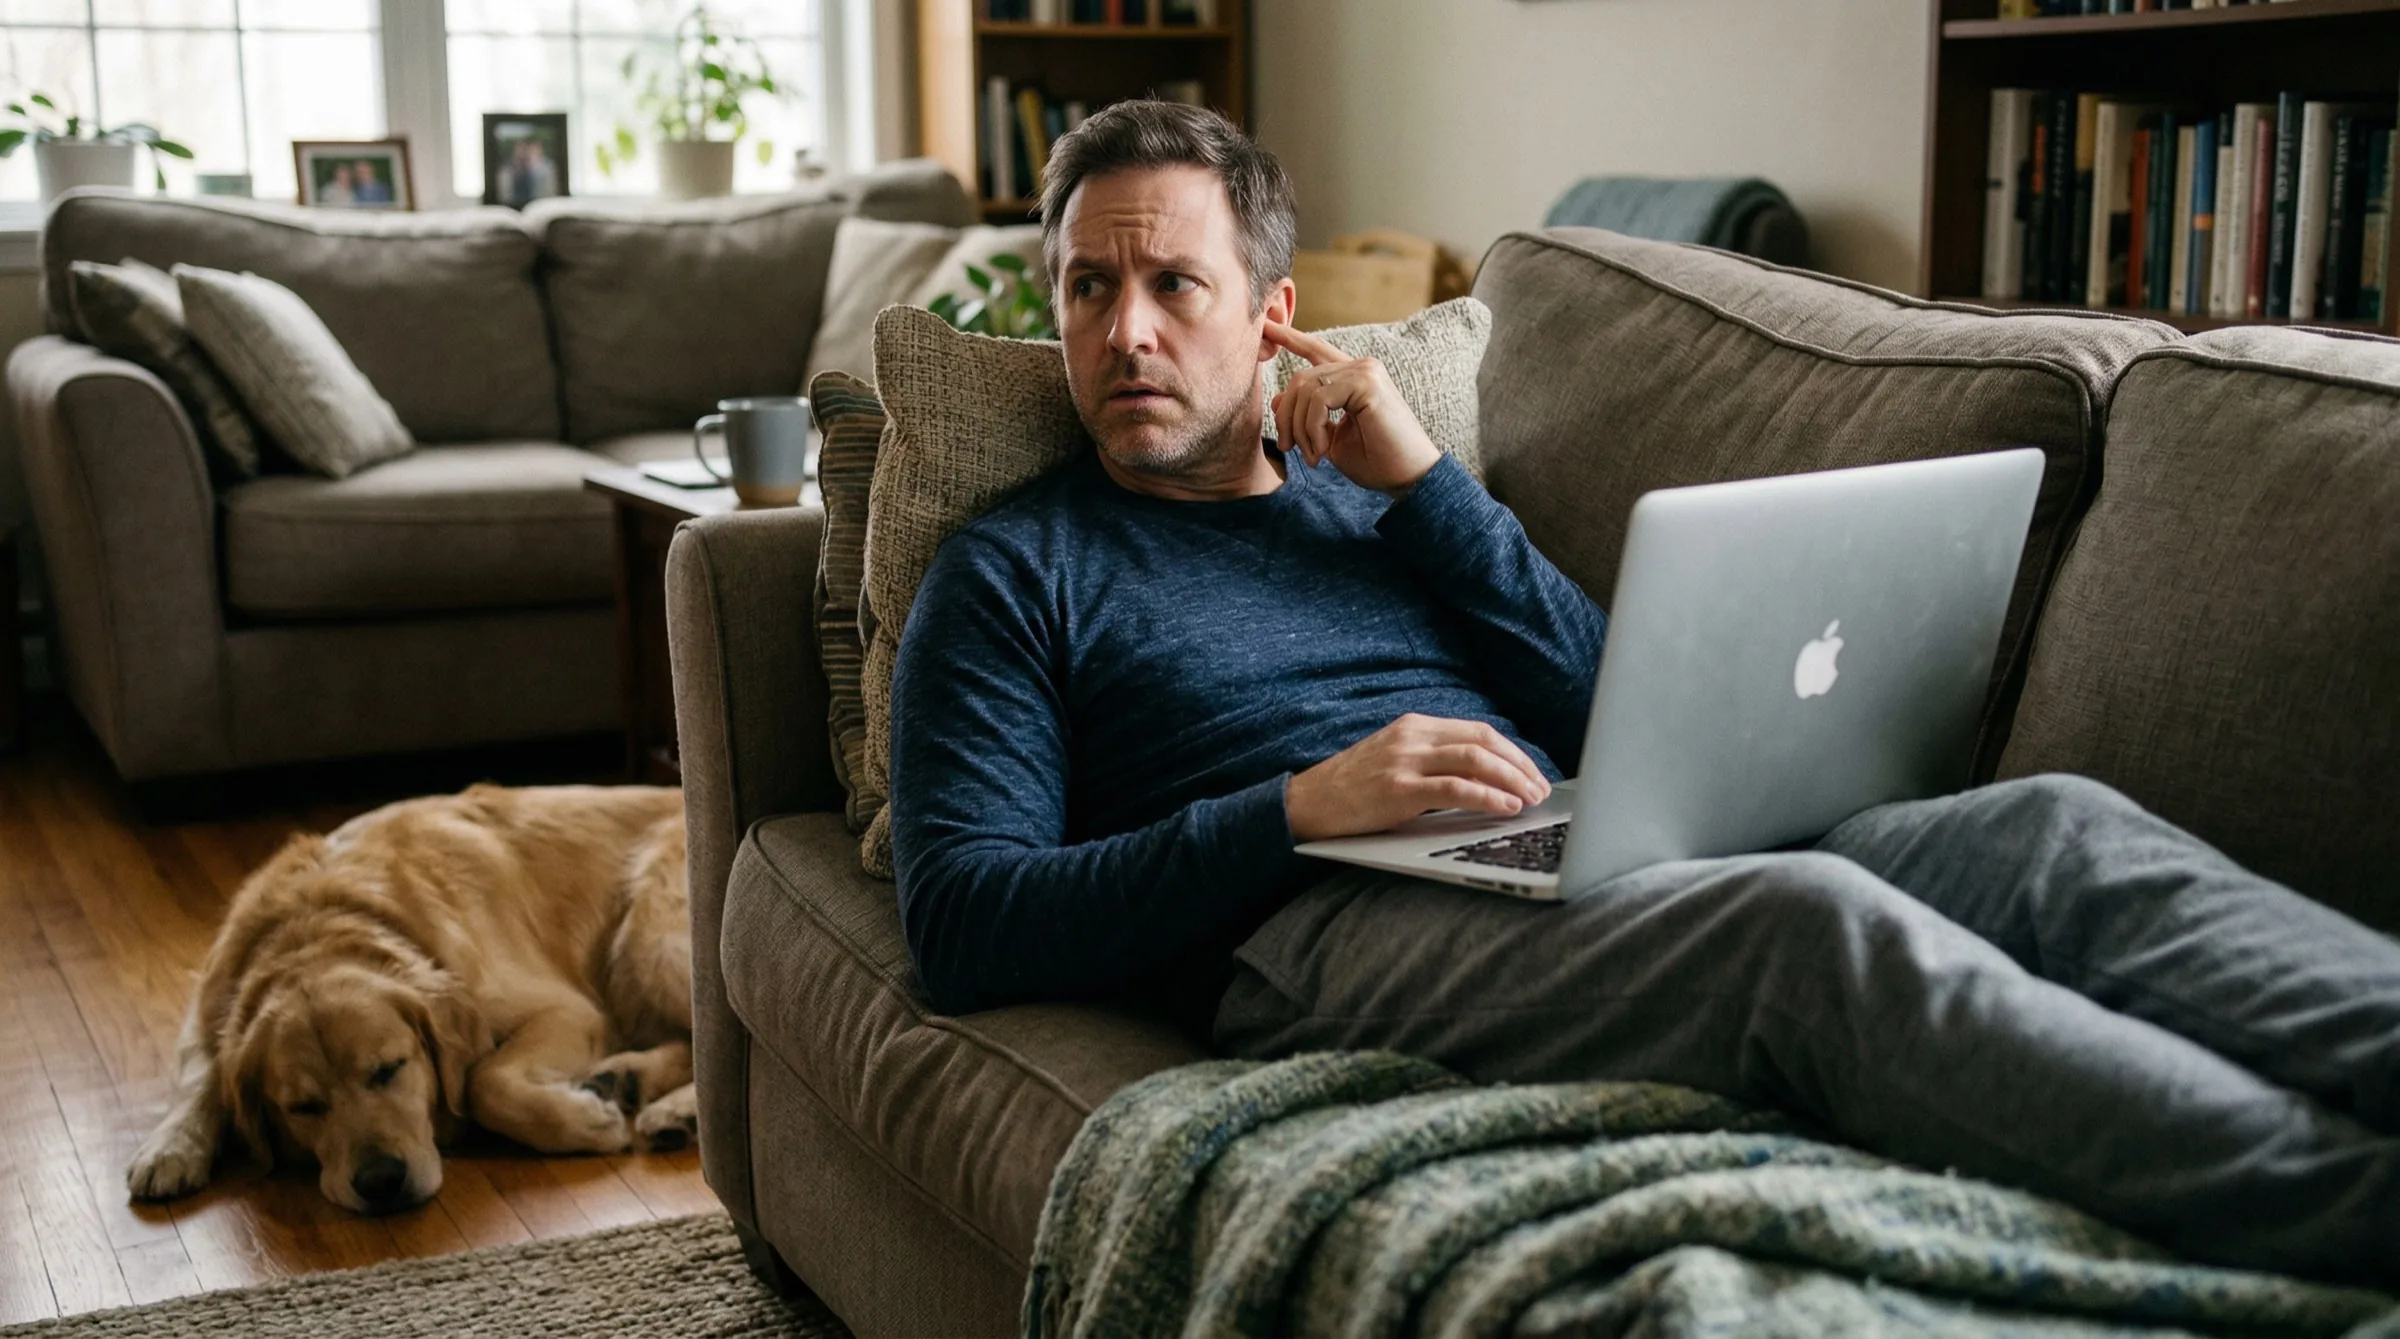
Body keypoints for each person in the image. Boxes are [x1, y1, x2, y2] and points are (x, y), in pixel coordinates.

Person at [885, 99, 2400, 1288]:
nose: (1127, 331)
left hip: (1563, 834)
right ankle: (2354, 1213)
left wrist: (1427, 486)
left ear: (1273, 310)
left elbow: (1609, 699)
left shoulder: (1377, 495)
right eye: (1089, 287)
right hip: (1315, 927)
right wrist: (1295, 810)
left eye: (1173, 283)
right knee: (1807, 933)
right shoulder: (1015, 571)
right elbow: (963, 922)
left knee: (2052, 831)